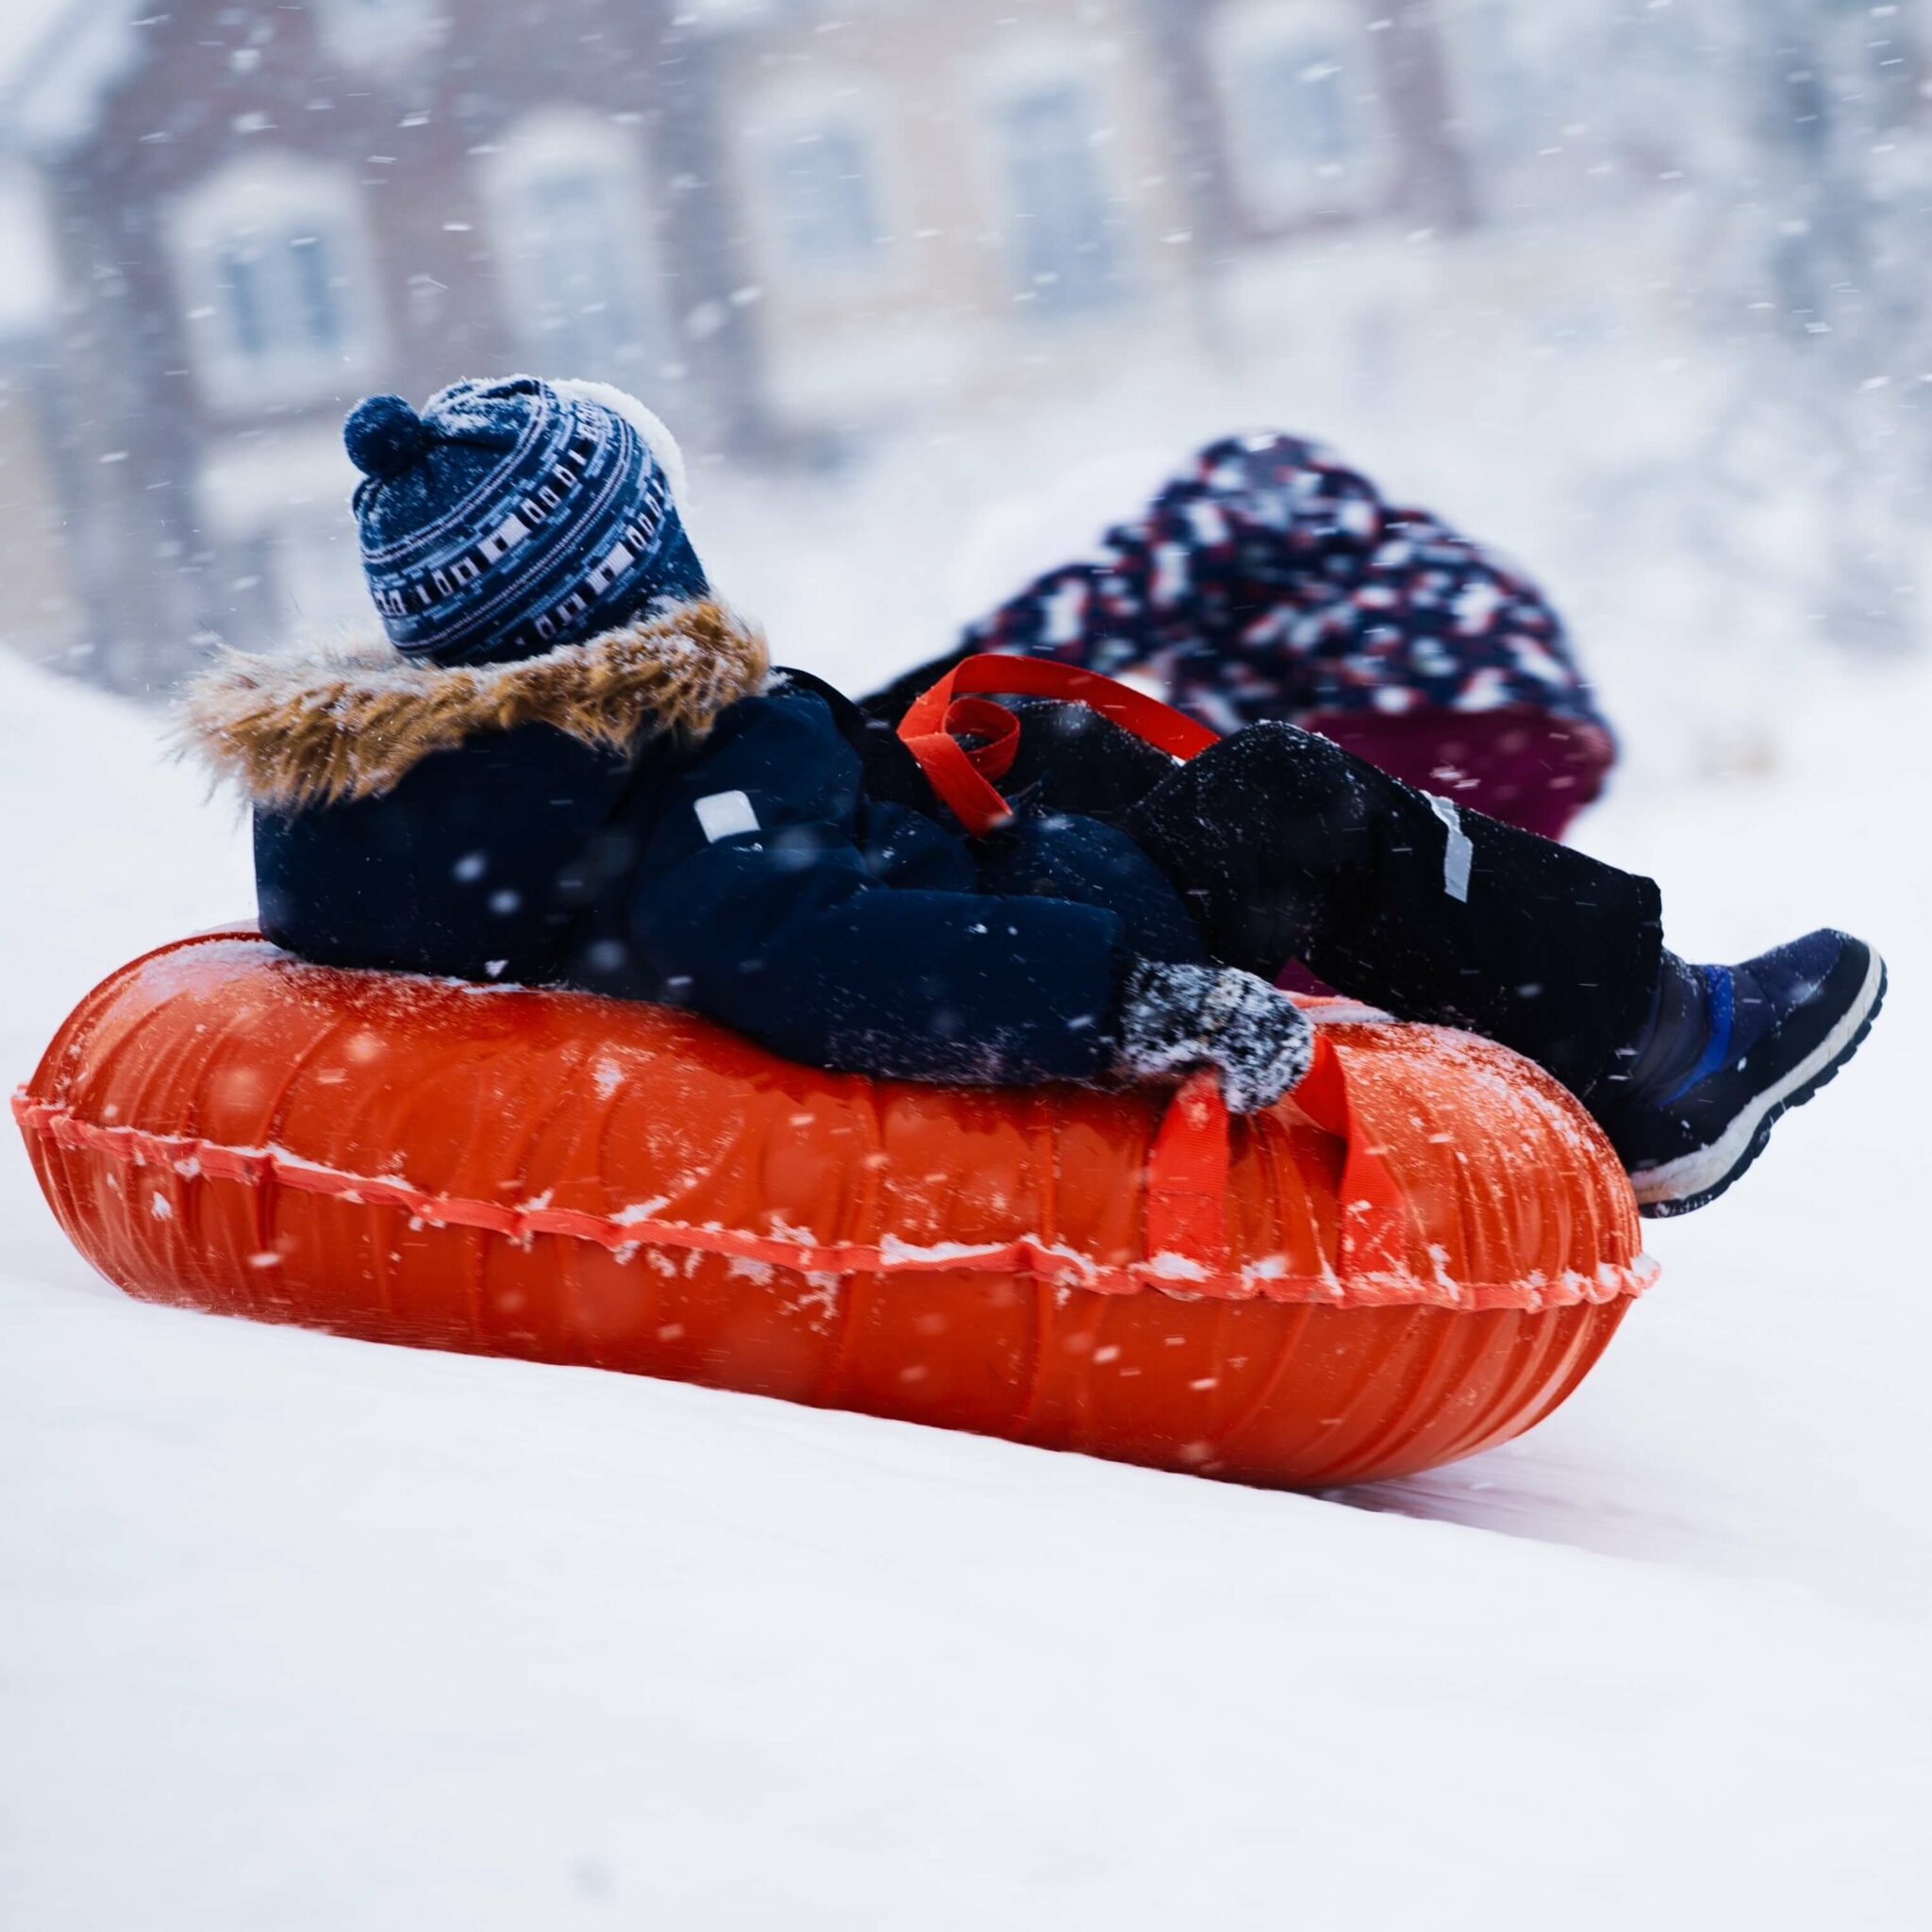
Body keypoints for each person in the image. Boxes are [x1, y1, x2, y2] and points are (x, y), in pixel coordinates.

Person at [186, 378, 1886, 1220]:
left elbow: (683, 869)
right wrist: (1119, 998)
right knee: (1289, 799)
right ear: (635, 565)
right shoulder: (695, 734)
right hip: (1032, 932)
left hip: (934, 863)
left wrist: (865, 754)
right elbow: (774, 931)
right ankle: (1662, 1058)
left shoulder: (437, 790)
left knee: (1055, 745)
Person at [862, 431, 1615, 841]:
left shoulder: (1212, 507)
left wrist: (917, 704)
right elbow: (1219, 767)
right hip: (1555, 742)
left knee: (1321, 931)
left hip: (1416, 703)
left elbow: (1086, 614)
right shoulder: (1301, 579)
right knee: (1467, 943)